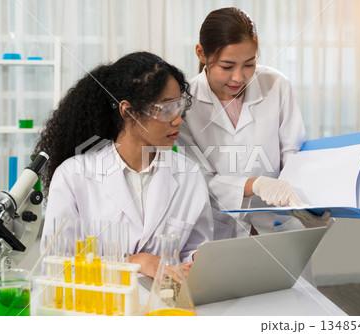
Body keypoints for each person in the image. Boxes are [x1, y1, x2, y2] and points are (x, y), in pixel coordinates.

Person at [35, 51, 213, 277]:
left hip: (166, 307)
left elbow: (193, 249)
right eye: (166, 109)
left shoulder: (189, 174)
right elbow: (56, 267)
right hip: (99, 308)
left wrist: (198, 259)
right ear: (128, 111)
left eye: (179, 105)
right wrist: (133, 262)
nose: (178, 119)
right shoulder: (74, 175)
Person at [177, 7, 332, 240]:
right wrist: (254, 185)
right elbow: (197, 180)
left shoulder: (276, 85)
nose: (239, 77)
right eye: (227, 66)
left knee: (288, 277)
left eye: (249, 64)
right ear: (201, 53)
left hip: (279, 224)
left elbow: (293, 154)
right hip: (218, 228)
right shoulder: (184, 103)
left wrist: (310, 199)